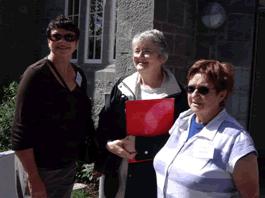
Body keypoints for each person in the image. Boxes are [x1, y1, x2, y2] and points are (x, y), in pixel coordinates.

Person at [94, 29, 188, 198]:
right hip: (119, 171)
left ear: (162, 57)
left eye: (147, 51)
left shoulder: (178, 95)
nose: (140, 56)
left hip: (153, 175)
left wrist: (141, 146)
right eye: (137, 51)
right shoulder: (122, 87)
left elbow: (181, 138)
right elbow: (105, 124)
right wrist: (108, 145)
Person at [11, 15, 95, 198]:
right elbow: (20, 131)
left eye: (69, 37)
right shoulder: (36, 75)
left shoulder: (79, 75)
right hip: (40, 169)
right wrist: (33, 179)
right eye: (56, 36)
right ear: (49, 40)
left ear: (76, 43)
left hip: (66, 166)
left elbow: (83, 116)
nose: (62, 41)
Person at [154, 59, 260, 197]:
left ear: (222, 94)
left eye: (203, 90)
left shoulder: (236, 140)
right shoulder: (182, 122)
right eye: (190, 88)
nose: (194, 95)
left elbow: (251, 195)